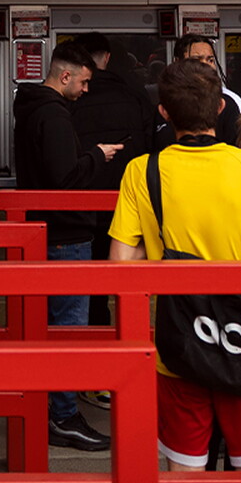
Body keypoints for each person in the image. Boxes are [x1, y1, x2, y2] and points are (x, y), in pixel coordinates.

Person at [110, 59, 241, 472]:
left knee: (186, 467)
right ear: (219, 108)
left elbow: (120, 261)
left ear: (164, 111)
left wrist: (156, 249)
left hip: (181, 341)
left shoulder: (143, 170)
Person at [11, 42, 119, 452]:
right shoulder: (53, 114)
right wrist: (96, 155)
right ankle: (63, 416)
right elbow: (65, 179)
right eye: (85, 82)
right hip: (66, 235)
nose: (86, 91)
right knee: (67, 332)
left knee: (48, 330)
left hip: (45, 233)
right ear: (66, 75)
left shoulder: (31, 108)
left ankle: (50, 410)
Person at [69, 32, 155, 335]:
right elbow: (149, 148)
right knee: (126, 282)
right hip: (125, 205)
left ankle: (90, 343)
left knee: (85, 285)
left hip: (79, 209)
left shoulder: (70, 99)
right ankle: (126, 343)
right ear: (107, 58)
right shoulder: (134, 95)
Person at [173, 34, 241, 115]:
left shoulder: (230, 102)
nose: (206, 66)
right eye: (196, 60)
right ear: (177, 62)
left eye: (210, 60)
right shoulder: (168, 99)